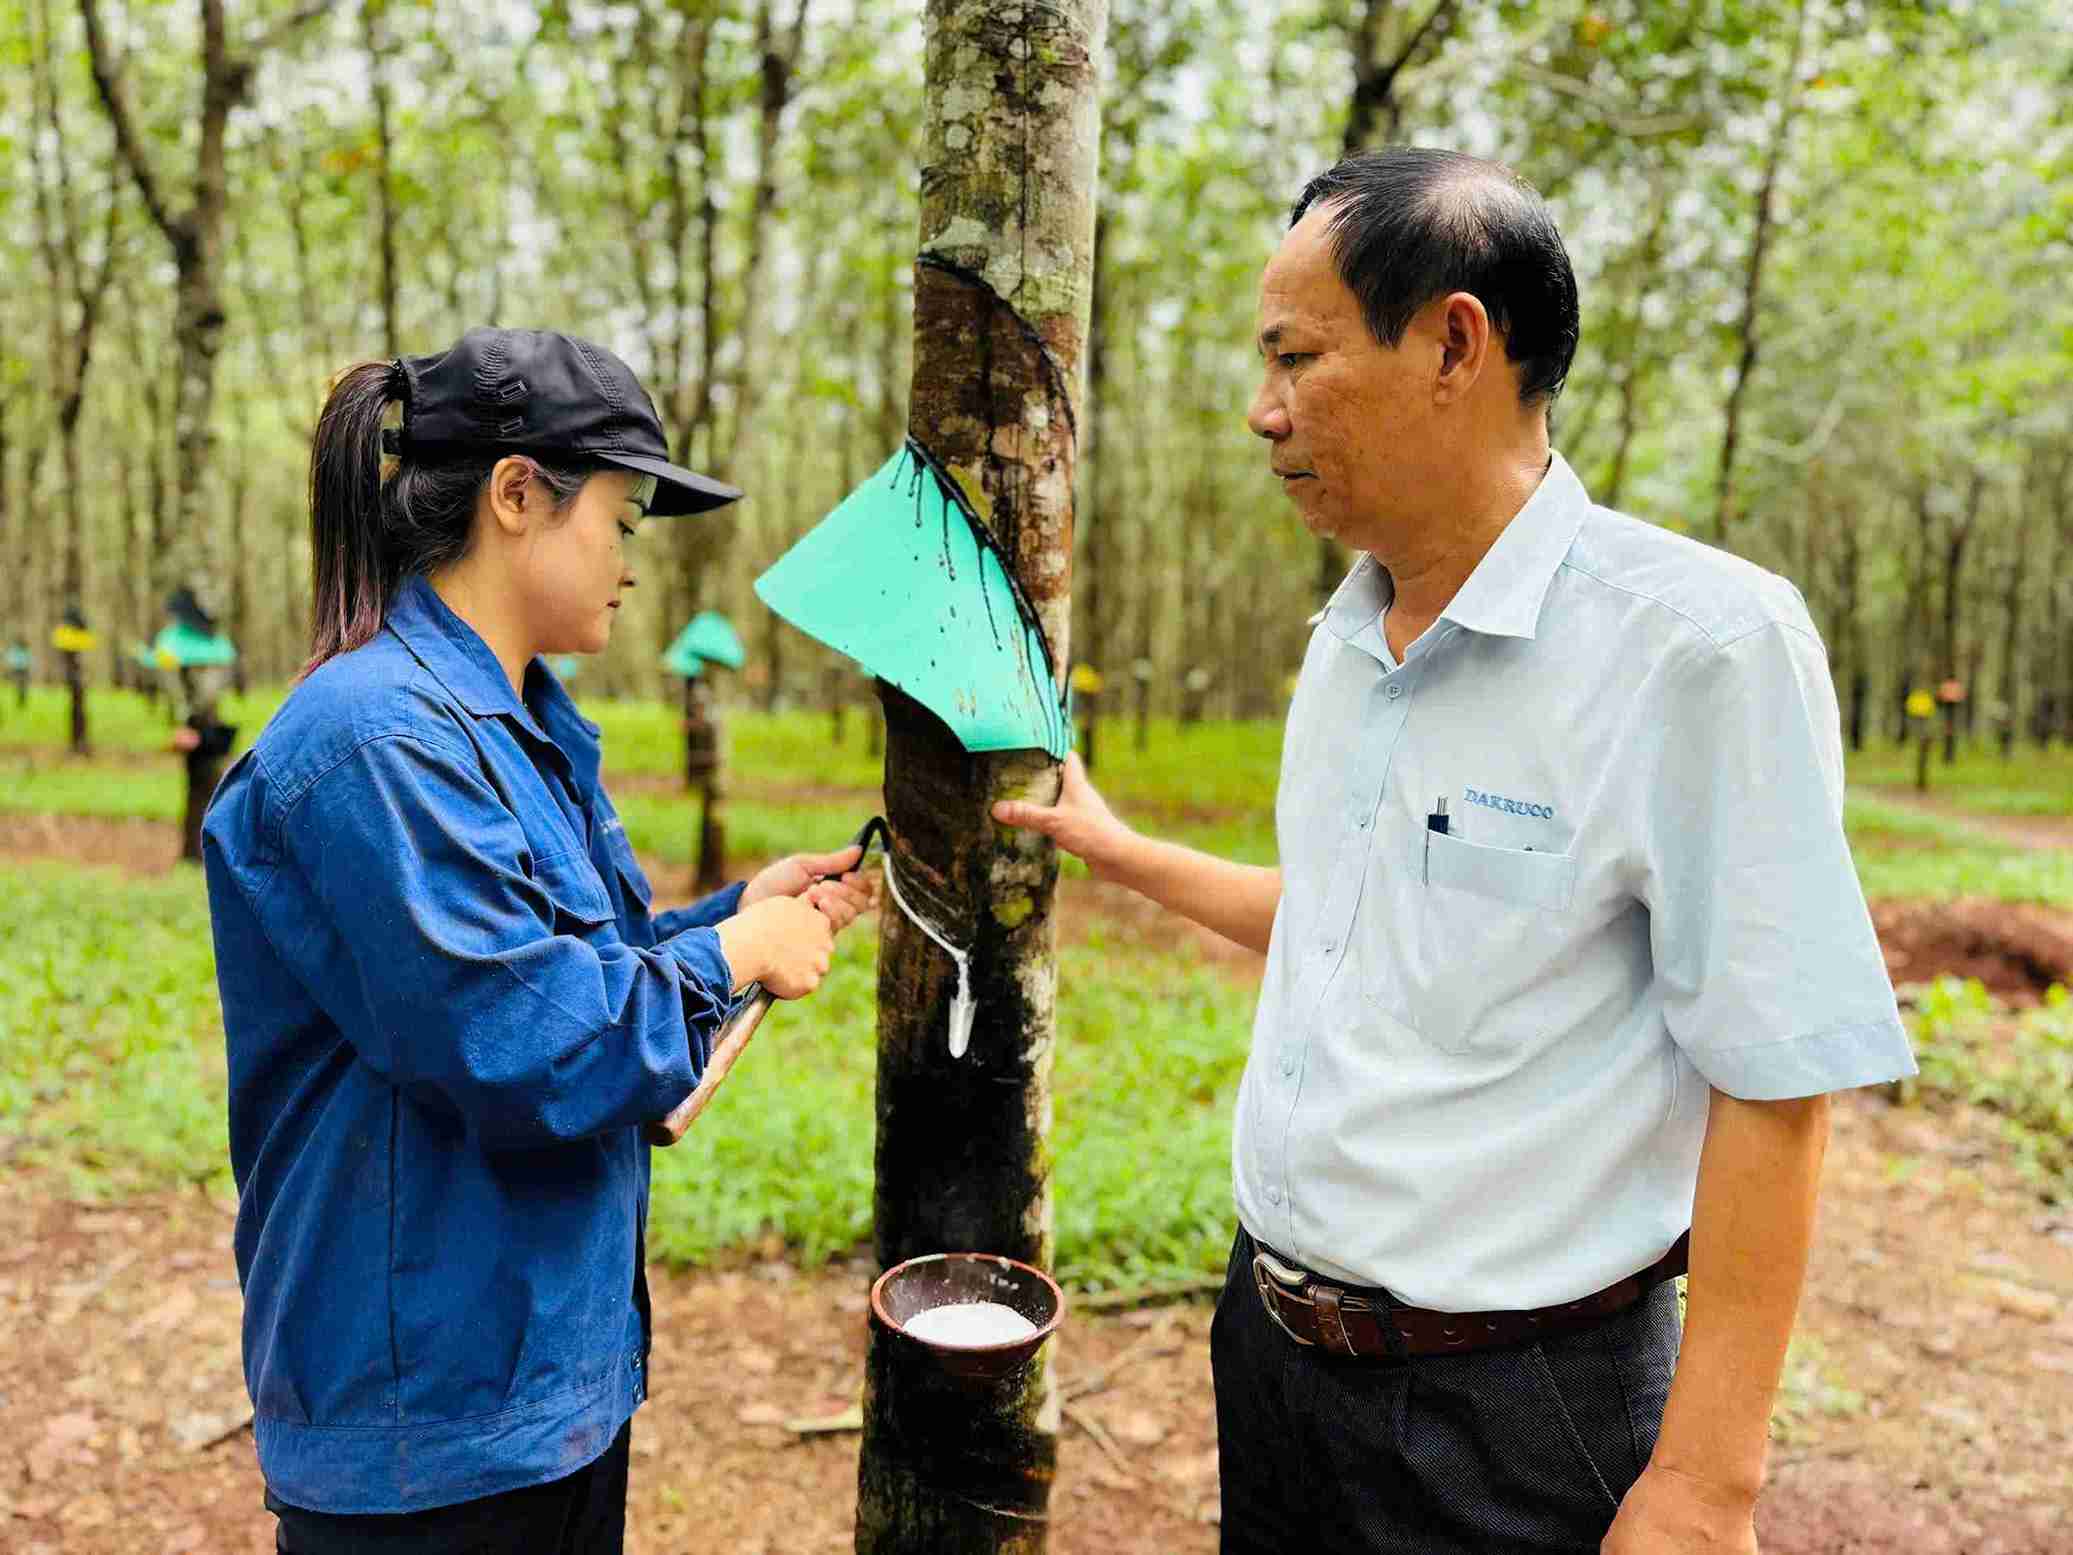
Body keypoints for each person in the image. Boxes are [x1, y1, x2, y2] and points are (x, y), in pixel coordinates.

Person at [995, 150, 1916, 1554]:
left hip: (1516, 1404)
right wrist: (1120, 849)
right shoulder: (1348, 641)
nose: (1262, 411)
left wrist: (1706, 1485)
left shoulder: (1701, 648)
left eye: (1295, 356)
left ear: (1454, 342)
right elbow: (1348, 920)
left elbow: (1775, 1072)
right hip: (1275, 1349)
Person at [201, 327, 872, 1553]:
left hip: (543, 1379)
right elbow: (520, 1041)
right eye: (618, 521)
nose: (629, 563)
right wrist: (737, 956)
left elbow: (559, 968)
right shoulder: (377, 741)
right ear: (519, 495)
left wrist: (735, 913)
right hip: (427, 1421)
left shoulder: (517, 724)